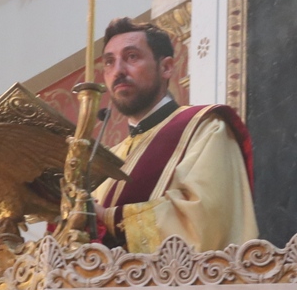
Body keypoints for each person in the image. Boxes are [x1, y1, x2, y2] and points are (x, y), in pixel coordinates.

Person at [92, 17, 257, 253]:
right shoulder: (106, 159)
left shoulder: (206, 128)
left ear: (166, 67)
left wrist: (109, 217)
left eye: (132, 57)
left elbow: (205, 220)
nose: (118, 71)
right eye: (109, 62)